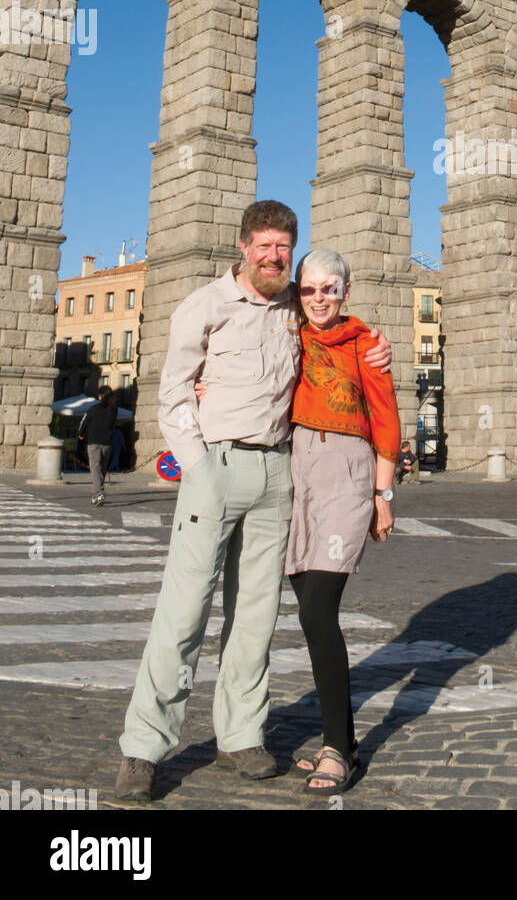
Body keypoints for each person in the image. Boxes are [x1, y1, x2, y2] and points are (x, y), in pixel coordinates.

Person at [114, 201, 392, 804]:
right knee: (183, 611)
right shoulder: (204, 306)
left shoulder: (296, 304)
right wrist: (199, 468)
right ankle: (143, 748)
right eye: (264, 246)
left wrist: (377, 346)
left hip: (277, 472)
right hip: (216, 466)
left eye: (283, 248)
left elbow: (339, 324)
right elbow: (172, 393)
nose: (274, 256)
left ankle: (240, 735)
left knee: (255, 616)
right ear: (243, 247)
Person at [284, 247, 401, 794]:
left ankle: (338, 750)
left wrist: (383, 493)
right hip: (291, 474)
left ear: (346, 292)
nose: (319, 298)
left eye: (330, 288)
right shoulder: (287, 328)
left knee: (317, 607)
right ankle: (343, 738)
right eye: (309, 289)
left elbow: (386, 416)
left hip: (347, 474)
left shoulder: (366, 344)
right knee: (308, 609)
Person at [79, 386, 118, 506]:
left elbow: (83, 423)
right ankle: (97, 493)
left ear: (100, 396)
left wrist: (81, 434)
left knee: (95, 469)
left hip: (93, 442)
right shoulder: (114, 410)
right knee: (102, 469)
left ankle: (98, 494)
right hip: (107, 443)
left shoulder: (92, 409)